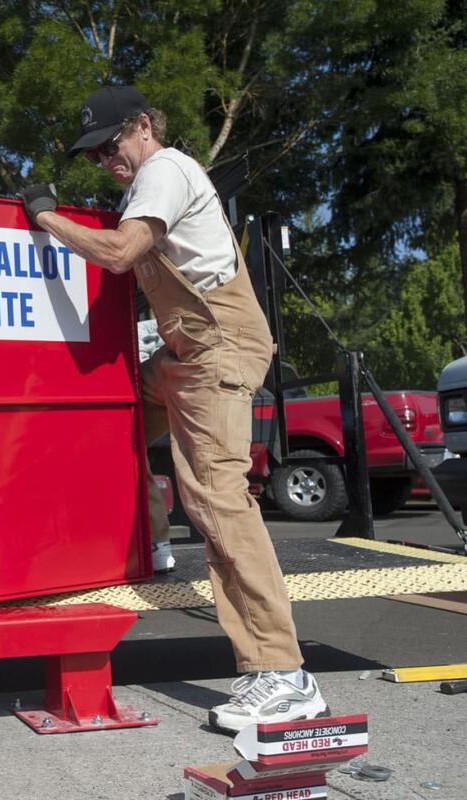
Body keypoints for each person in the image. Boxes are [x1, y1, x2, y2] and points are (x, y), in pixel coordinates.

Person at [19, 86, 328, 734]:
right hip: (184, 355)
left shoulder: (163, 170)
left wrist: (46, 218)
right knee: (116, 416)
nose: (107, 160)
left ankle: (284, 674)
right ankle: (152, 542)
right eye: (97, 154)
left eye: (110, 145)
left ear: (140, 127)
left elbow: (122, 254)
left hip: (218, 347)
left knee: (218, 499)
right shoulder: (145, 187)